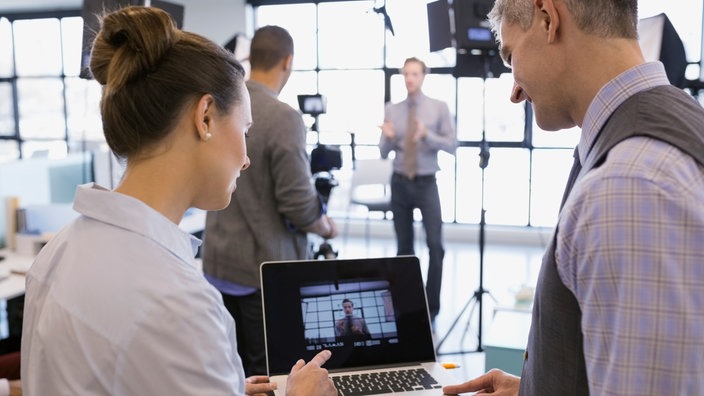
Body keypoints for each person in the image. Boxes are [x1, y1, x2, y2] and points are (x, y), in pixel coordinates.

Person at [20, 7, 336, 396]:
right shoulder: (179, 304)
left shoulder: (58, 253)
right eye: (245, 129)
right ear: (205, 117)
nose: (246, 157)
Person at [444, 0, 704, 395]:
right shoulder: (677, 121)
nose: (514, 91)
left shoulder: (629, 186)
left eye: (511, 55)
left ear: (548, 19)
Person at [201, 25, 338, 377]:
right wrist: (325, 227)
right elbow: (297, 202)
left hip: (218, 266)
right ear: (287, 61)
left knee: (232, 372)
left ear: (250, 57)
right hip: (262, 273)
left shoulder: (217, 104)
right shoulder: (283, 117)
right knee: (270, 375)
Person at [379, 57, 457, 326]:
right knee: (404, 249)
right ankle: (407, 304)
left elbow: (452, 145)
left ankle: (431, 308)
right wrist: (388, 138)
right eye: (406, 74)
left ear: (423, 76)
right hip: (400, 181)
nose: (410, 78)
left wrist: (427, 136)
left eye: (414, 73)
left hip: (426, 182)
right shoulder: (392, 109)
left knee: (436, 247)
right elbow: (382, 152)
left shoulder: (438, 108)